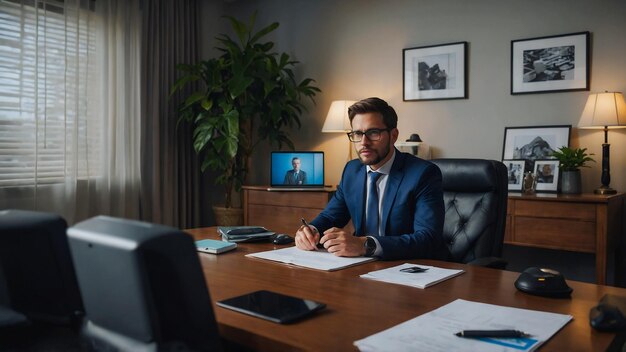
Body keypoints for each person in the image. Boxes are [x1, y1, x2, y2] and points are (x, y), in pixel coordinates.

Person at [295, 97, 447, 260]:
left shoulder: (423, 174)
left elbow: (427, 239)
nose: (364, 142)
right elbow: (330, 216)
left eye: (373, 133)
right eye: (357, 133)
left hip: (411, 267)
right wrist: (311, 230)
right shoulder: (352, 170)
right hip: (360, 266)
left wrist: (365, 245)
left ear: (393, 135)